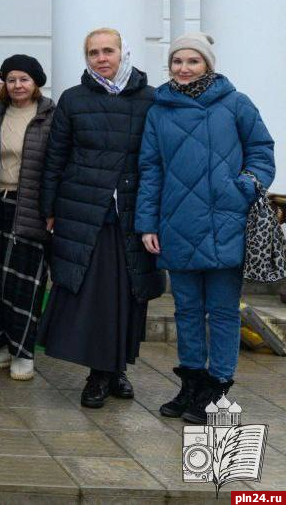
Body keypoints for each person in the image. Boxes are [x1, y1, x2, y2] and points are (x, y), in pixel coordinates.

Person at [137, 33, 275, 421]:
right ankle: (192, 385)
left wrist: (244, 186)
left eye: (192, 61)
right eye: (177, 61)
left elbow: (262, 151)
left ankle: (217, 388)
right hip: (175, 222)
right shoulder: (159, 109)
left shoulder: (235, 103)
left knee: (223, 310)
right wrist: (147, 223)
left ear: (207, 65)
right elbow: (150, 169)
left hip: (225, 221)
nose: (183, 68)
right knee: (187, 310)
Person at [39, 29, 165, 409]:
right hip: (85, 211)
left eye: (107, 51)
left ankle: (117, 370)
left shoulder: (150, 98)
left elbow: (157, 159)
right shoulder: (74, 100)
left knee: (129, 295)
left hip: (132, 212)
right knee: (93, 298)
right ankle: (98, 373)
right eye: (93, 52)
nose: (101, 58)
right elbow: (55, 158)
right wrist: (49, 209)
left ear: (123, 52)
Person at [0, 55, 53, 382]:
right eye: (11, 79)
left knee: (25, 282)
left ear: (36, 82)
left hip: (30, 207)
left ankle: (23, 351)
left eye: (24, 79)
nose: (17, 85)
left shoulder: (50, 115)